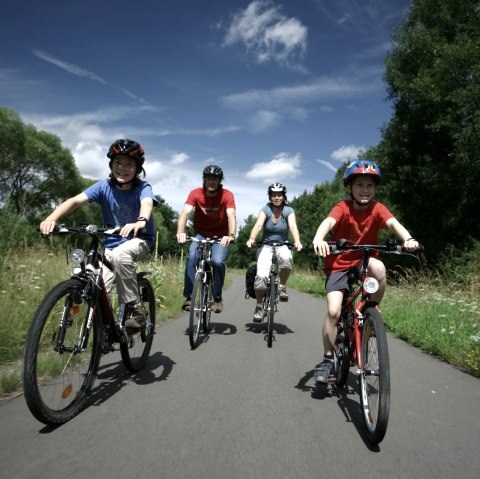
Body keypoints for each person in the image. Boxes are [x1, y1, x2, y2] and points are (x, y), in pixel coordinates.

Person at [311, 159, 420, 383]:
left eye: (370, 186)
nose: (365, 190)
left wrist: (408, 238)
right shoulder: (343, 207)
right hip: (338, 263)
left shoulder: (377, 208)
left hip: (364, 259)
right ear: (350, 188)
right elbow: (328, 222)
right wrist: (318, 238)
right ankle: (327, 359)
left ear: (375, 189)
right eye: (359, 185)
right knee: (333, 312)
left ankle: (371, 310)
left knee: (379, 267)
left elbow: (393, 224)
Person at [39, 139, 158, 330]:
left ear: (137, 168)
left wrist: (141, 221)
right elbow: (75, 201)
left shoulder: (143, 188)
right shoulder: (103, 187)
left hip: (139, 240)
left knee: (122, 255)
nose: (123, 168)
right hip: (110, 246)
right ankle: (103, 330)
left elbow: (147, 203)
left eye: (129, 164)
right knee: (91, 281)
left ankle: (136, 307)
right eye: (118, 163)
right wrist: (51, 219)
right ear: (111, 165)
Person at [176, 165, 236, 313]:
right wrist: (180, 232)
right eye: (209, 178)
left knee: (217, 262)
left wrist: (231, 235)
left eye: (215, 179)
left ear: (220, 181)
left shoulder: (227, 195)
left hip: (221, 235)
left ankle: (217, 298)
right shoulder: (196, 193)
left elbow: (231, 215)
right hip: (201, 233)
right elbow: (185, 213)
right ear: (204, 179)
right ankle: (189, 298)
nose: (211, 182)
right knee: (192, 258)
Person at [246, 183, 302, 322]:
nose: (277, 197)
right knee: (261, 277)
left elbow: (293, 226)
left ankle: (282, 286)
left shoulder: (288, 210)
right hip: (266, 245)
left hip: (283, 244)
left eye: (279, 195)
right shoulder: (266, 209)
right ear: (270, 197)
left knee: (286, 259)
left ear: (283, 196)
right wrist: (252, 238)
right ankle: (259, 306)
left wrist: (297, 241)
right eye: (274, 195)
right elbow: (258, 225)